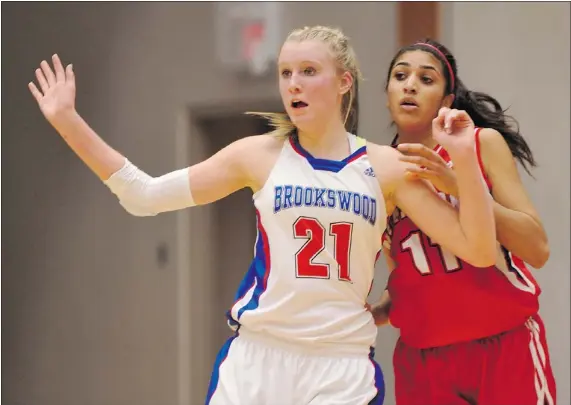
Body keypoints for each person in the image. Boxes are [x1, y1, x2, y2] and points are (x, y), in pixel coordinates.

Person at [29, 26, 497, 405]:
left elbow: (477, 248)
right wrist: (68, 120)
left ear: (344, 82)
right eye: (285, 72)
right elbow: (143, 195)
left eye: (309, 71)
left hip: (341, 365)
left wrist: (466, 160)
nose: (293, 83)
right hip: (258, 358)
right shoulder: (256, 155)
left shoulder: (386, 165)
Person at [368, 39, 556, 405]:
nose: (410, 85)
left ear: (446, 101)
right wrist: (378, 310)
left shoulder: (480, 144)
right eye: (400, 76)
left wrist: (460, 186)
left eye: (426, 79)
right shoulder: (378, 174)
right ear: (388, 94)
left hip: (502, 344)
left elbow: (538, 248)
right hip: (423, 360)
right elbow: (407, 275)